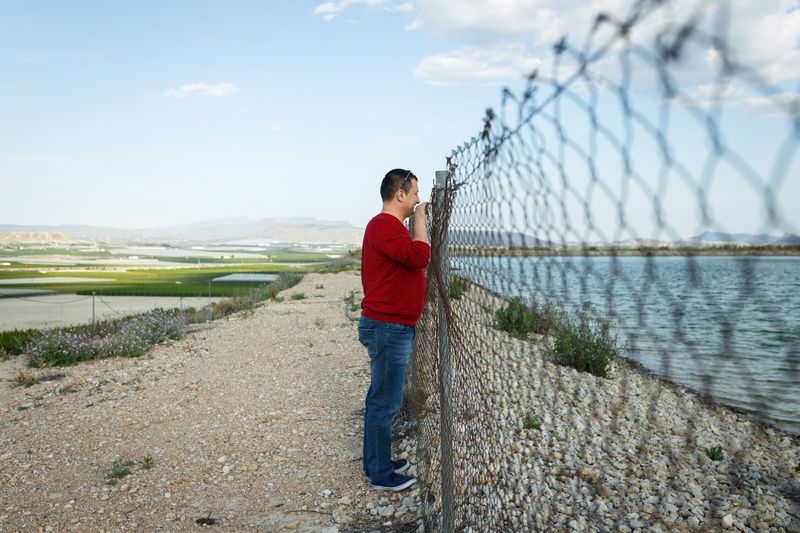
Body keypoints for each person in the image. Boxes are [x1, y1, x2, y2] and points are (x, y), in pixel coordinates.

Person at [359, 168, 430, 492]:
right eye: (415, 193)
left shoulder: (388, 228)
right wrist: (420, 219)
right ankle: (380, 475)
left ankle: (377, 463)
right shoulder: (384, 225)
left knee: (380, 399)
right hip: (388, 328)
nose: (418, 199)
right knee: (384, 403)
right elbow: (419, 256)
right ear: (400, 194)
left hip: (390, 326)